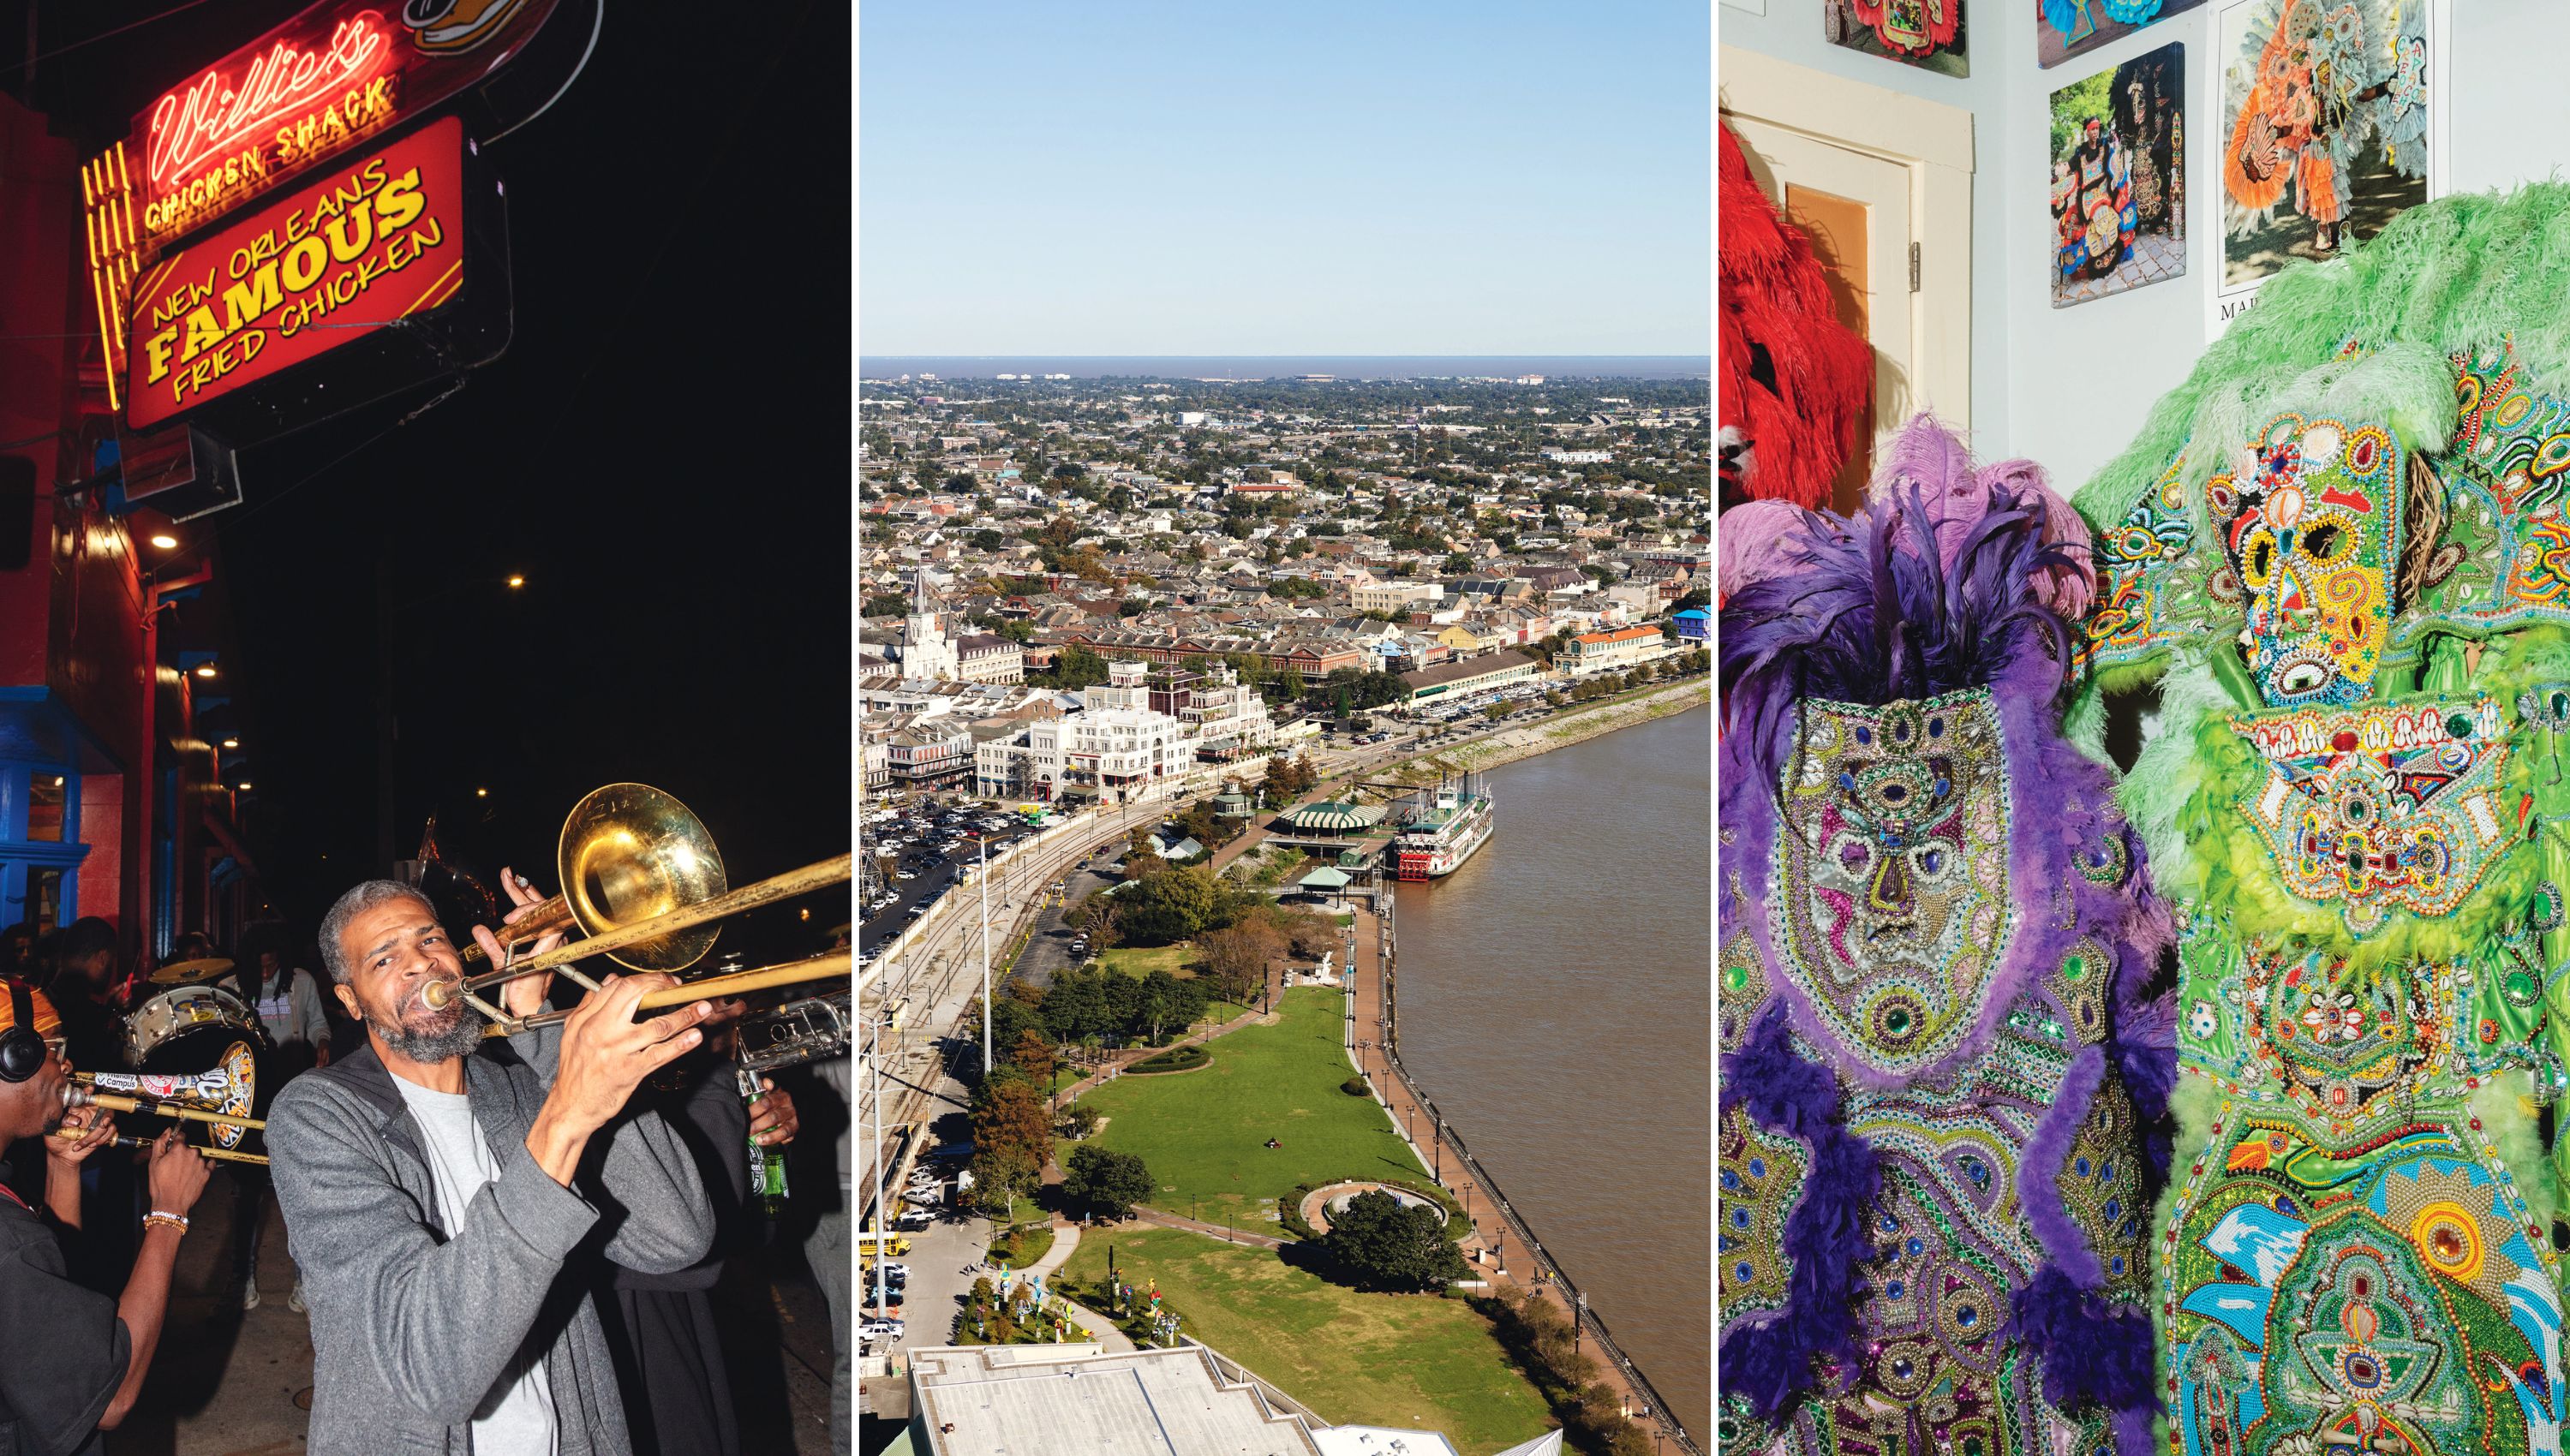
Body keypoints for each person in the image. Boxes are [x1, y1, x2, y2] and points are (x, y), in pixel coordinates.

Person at [268, 872, 718, 1456]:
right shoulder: (317, 1114)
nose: (419, 964)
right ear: (349, 999)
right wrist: (567, 1114)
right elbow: (432, 1368)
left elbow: (674, 1237)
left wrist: (550, 1035)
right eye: (382, 960)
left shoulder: (521, 1088)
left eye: (430, 940)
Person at [0, 977, 214, 1454]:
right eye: (55, 1050)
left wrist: (62, 1166)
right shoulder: (9, 1244)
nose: (67, 1066)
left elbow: (53, 1301)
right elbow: (108, 1398)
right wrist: (168, 1214)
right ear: (14, 1060)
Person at [593, 1001, 800, 1456]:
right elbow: (690, 1251)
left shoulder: (672, 1084)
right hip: (626, 1332)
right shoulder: (580, 1073)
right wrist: (717, 1074)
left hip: (677, 1321)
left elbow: (751, 1234)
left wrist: (762, 1135)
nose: (736, 1005)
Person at [226, 926, 333, 1313]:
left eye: (273, 965)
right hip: (248, 1102)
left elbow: (319, 1023)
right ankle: (242, 1280)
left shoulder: (301, 982)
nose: (267, 973)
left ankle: (306, 1281)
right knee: (246, 1194)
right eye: (261, 968)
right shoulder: (231, 987)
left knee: (299, 1193)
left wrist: (321, 1043)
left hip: (291, 1096)